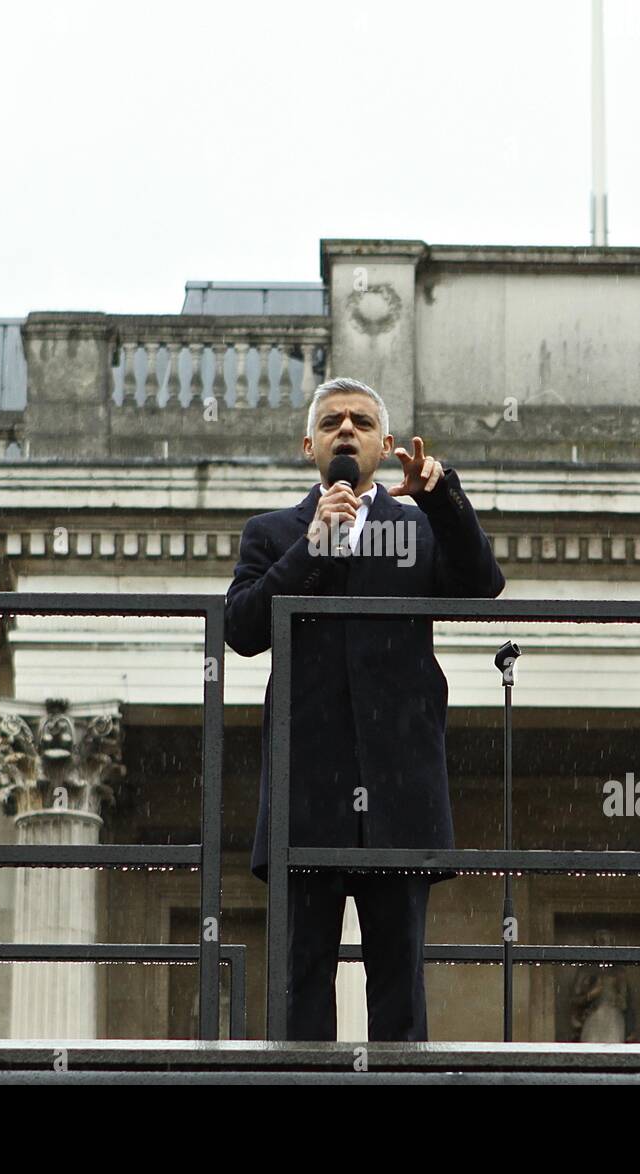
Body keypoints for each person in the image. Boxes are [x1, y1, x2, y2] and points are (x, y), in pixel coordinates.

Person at [225, 376, 505, 1041]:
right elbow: (241, 628)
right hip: (307, 794)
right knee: (300, 990)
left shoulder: (418, 528)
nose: (344, 430)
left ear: (385, 443)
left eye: (359, 421)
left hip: (399, 793)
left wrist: (444, 496)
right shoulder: (272, 534)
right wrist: (312, 547)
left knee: (400, 993)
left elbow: (481, 583)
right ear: (308, 445)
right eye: (330, 422)